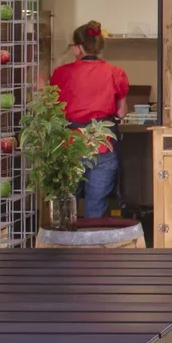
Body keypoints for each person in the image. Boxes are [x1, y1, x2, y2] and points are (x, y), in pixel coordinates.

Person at [48, 20, 130, 218]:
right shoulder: (115, 73)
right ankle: (93, 248)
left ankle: (67, 246)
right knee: (96, 207)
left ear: (78, 48)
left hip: (70, 146)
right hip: (102, 145)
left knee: (67, 206)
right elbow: (121, 113)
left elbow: (52, 111)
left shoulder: (61, 73)